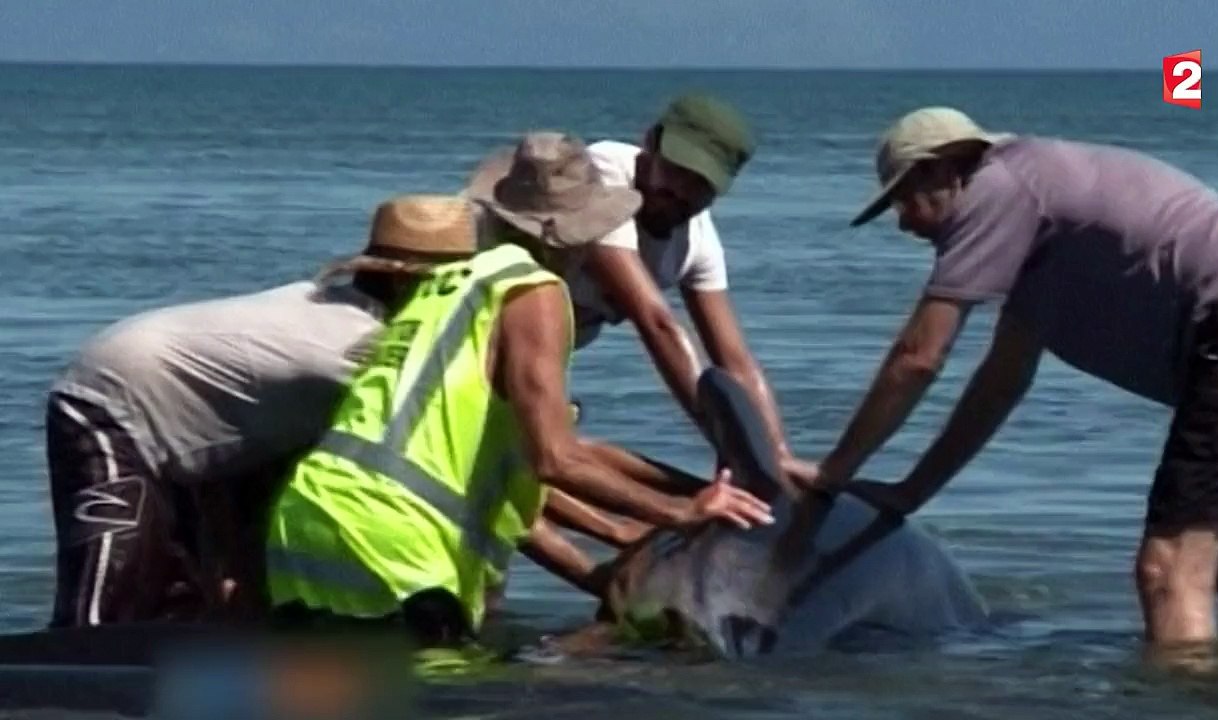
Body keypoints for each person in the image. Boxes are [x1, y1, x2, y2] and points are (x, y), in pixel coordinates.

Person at [790, 106, 1218, 647]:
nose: (903, 222)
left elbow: (918, 357)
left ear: (941, 170)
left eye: (903, 200)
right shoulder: (1036, 225)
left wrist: (833, 472)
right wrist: (912, 491)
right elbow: (998, 385)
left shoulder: (996, 189)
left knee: (1169, 570)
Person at [264, 133, 774, 649]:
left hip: (310, 520)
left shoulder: (447, 283)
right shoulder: (535, 293)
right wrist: (680, 513)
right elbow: (557, 459)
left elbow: (518, 479)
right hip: (393, 544)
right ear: (571, 237)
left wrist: (613, 554)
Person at [42, 195, 479, 628]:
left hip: (226, 419)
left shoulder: (351, 312)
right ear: (407, 285)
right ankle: (56, 679)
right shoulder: (353, 349)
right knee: (107, 599)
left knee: (200, 597)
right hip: (111, 396)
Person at [484, 93, 793, 469]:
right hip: (472, 336)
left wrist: (775, 456)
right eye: (676, 170)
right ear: (650, 142)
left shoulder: (696, 243)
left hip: (527, 361)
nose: (680, 192)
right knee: (547, 460)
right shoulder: (599, 178)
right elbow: (656, 323)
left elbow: (736, 362)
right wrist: (734, 447)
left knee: (539, 460)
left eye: (700, 184)